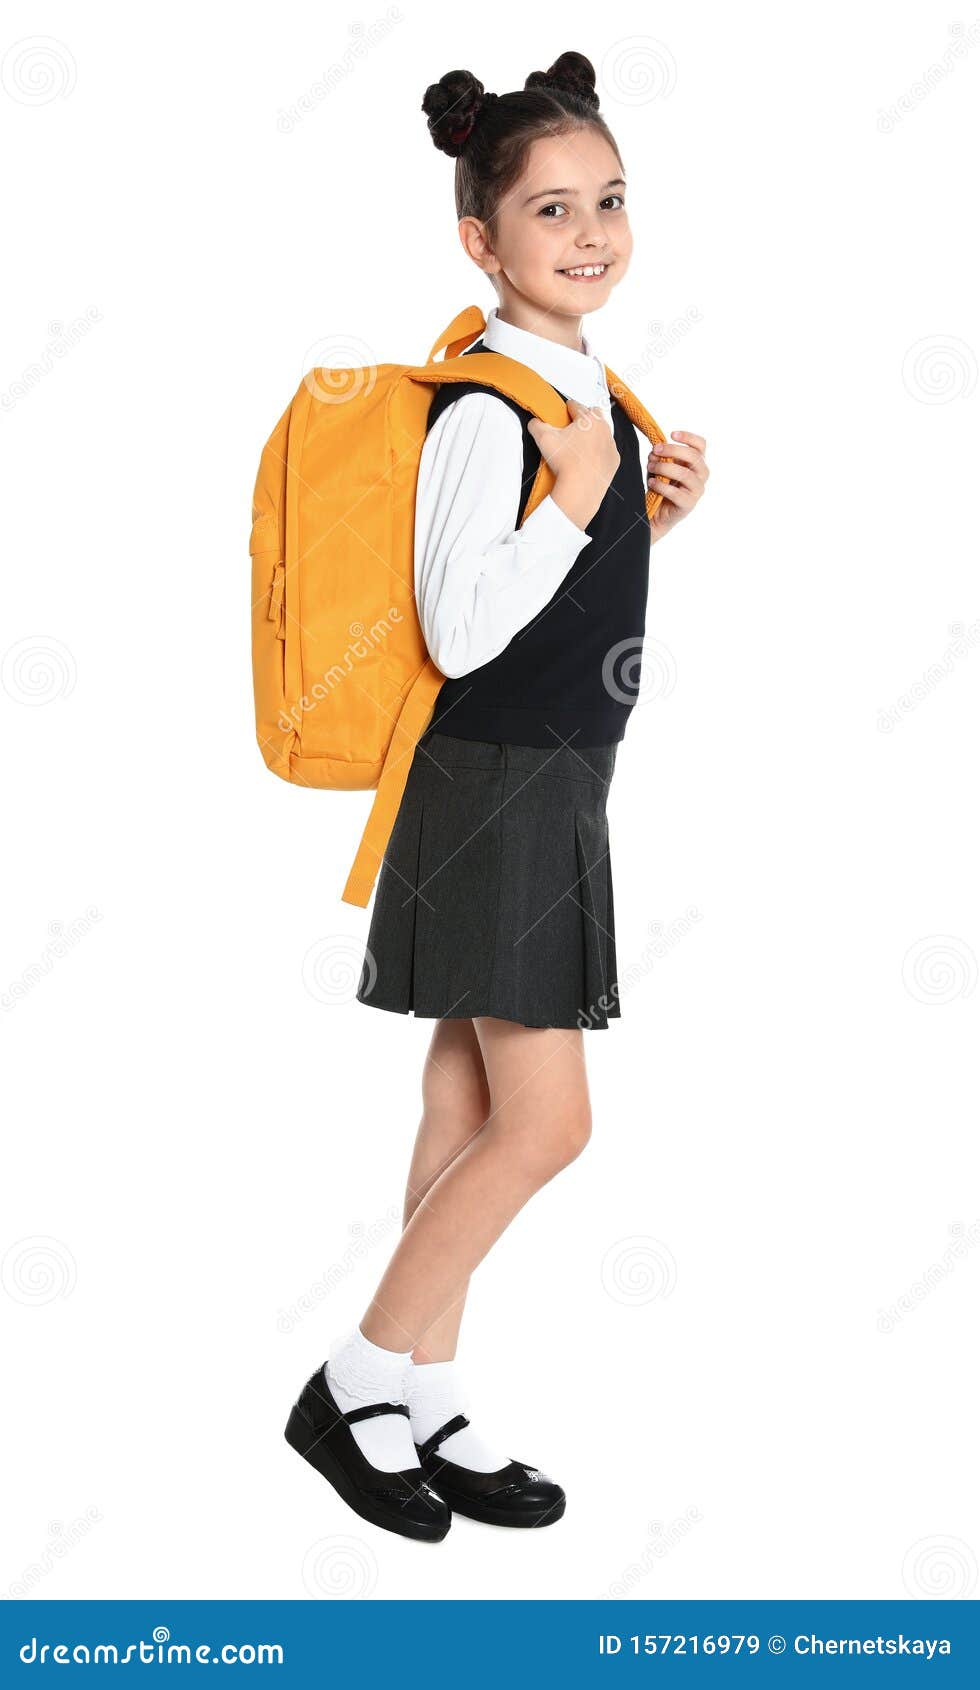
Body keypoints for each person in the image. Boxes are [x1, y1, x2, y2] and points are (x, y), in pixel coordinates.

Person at [284, 49, 709, 1543]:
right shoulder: (488, 403)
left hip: (549, 782)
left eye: (608, 199)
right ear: (483, 238)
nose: (589, 232)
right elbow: (460, 626)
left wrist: (633, 516)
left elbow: (554, 584)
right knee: (548, 1125)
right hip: (493, 791)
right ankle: (350, 1382)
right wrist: (584, 499)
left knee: (467, 1097)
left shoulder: (583, 384)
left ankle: (425, 1397)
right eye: (550, 210)